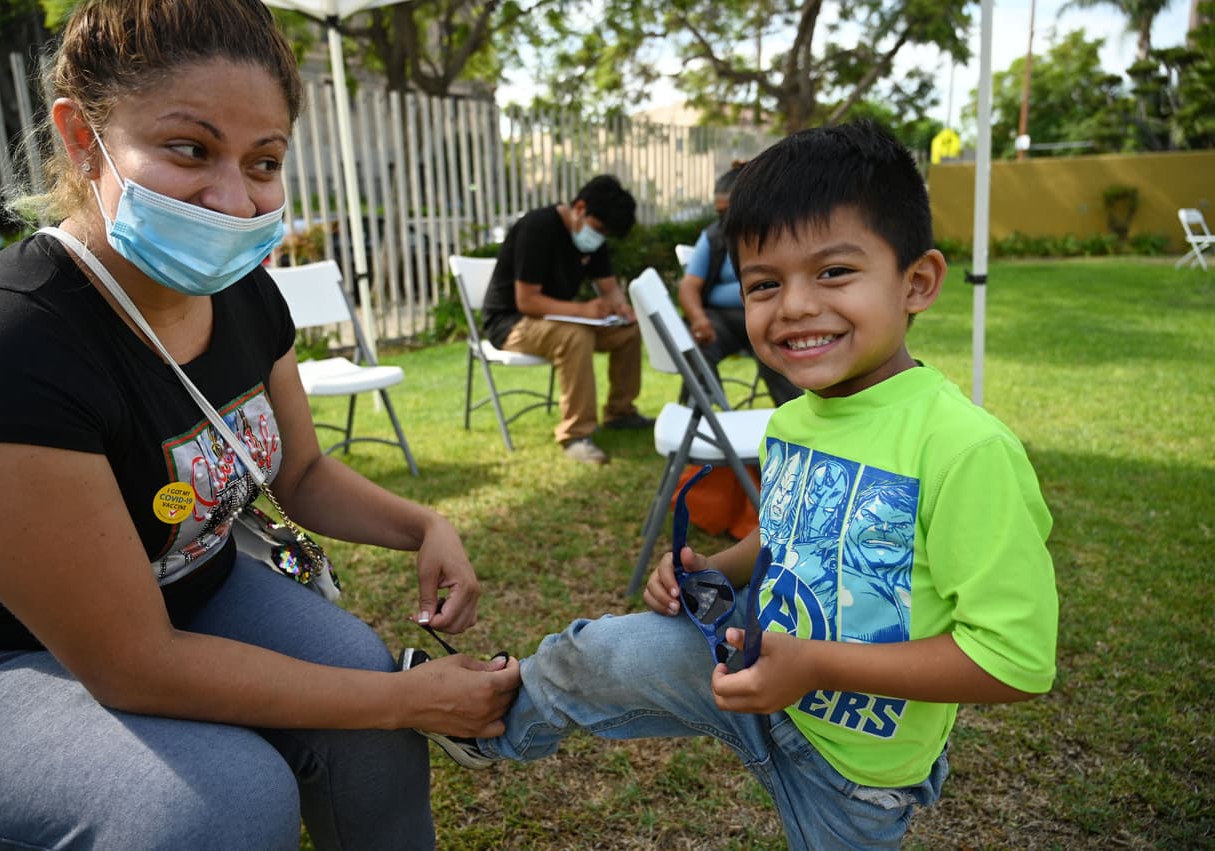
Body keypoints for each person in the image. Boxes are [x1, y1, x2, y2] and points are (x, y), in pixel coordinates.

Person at [0, 2, 519, 848]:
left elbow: (303, 473)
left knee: (360, 696)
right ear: (81, 136)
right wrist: (410, 695)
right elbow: (131, 661)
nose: (232, 199)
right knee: (222, 799)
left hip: (187, 591)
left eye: (265, 161)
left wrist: (424, 523)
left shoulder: (242, 291)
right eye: (189, 149)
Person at [415, 121, 1060, 847]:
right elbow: (791, 533)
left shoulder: (965, 449)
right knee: (591, 654)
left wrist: (814, 665)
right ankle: (494, 728)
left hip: (855, 779)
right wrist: (710, 568)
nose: (792, 306)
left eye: (834, 272)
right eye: (764, 283)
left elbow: (1012, 661)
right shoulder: (791, 424)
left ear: (918, 282)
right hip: (748, 667)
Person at [480, 175, 652, 465]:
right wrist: (583, 311)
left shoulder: (592, 241)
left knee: (628, 331)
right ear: (580, 207)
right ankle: (576, 434)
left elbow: (609, 288)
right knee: (574, 335)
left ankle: (621, 412)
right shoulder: (538, 227)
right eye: (598, 230)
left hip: (558, 320)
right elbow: (527, 301)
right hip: (511, 323)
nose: (598, 238)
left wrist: (622, 310)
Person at [677, 161, 801, 407]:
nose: (725, 221)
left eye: (730, 212)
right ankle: (703, 415)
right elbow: (689, 285)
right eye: (719, 214)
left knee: (776, 347)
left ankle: (795, 412)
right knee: (697, 344)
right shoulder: (713, 237)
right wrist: (698, 318)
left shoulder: (778, 234)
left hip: (769, 315)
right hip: (723, 320)